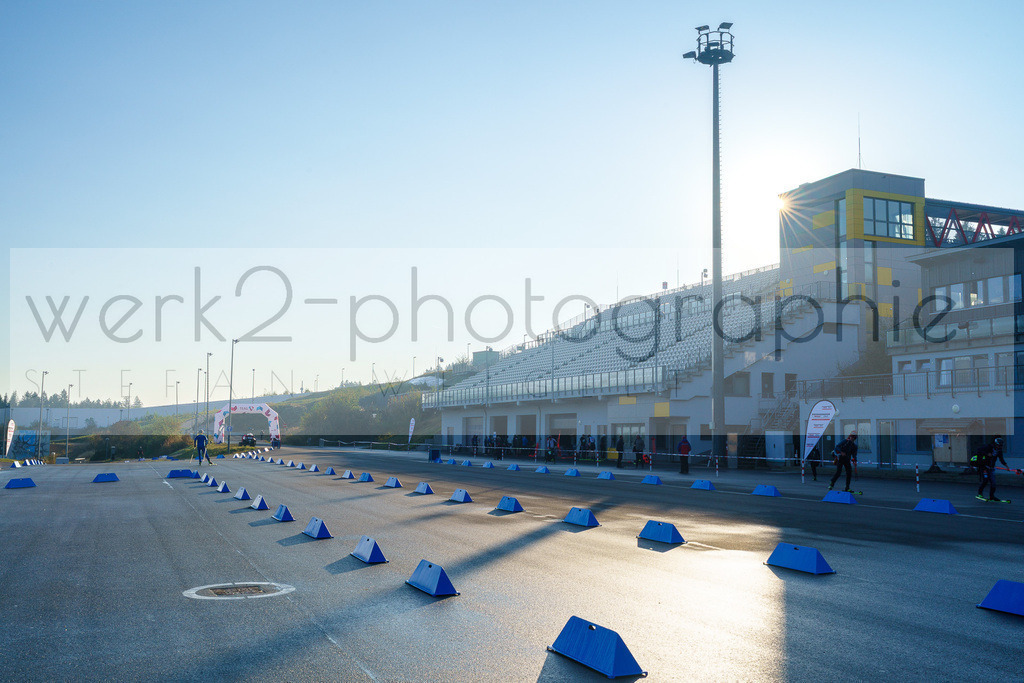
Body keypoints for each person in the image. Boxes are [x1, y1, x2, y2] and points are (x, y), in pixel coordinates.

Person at [972, 436, 1010, 502]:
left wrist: (1006, 466)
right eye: (999, 445)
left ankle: (991, 496)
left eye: (1001, 446)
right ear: (995, 444)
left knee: (993, 483)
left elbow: (1001, 459)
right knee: (985, 480)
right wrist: (987, 454)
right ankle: (979, 493)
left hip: (991, 468)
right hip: (984, 466)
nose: (1000, 447)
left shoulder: (999, 451)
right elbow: (979, 450)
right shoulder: (988, 447)